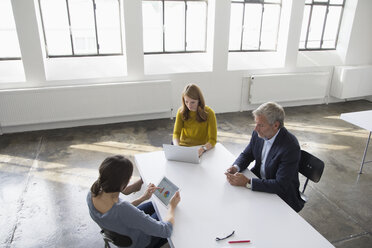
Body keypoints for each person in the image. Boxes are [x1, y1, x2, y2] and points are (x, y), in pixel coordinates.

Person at [225, 102, 304, 212]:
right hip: (260, 182)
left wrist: (248, 182)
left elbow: (280, 185)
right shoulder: (258, 134)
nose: (256, 129)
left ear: (276, 125)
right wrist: (235, 167)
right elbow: (247, 154)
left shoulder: (290, 147)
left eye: (261, 125)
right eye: (256, 123)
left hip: (281, 196)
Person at [87, 155, 181, 248]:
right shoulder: (122, 208)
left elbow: (117, 214)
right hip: (139, 243)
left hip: (118, 230)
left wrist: (142, 198)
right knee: (170, 214)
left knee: (155, 205)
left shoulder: (92, 193)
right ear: (124, 183)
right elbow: (165, 230)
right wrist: (172, 206)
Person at [172, 83, 217, 157]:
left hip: (201, 148)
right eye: (186, 102)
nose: (189, 106)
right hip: (183, 147)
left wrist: (202, 149)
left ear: (199, 100)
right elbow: (176, 133)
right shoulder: (181, 112)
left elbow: (213, 140)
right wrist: (177, 148)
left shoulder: (209, 113)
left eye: (192, 102)